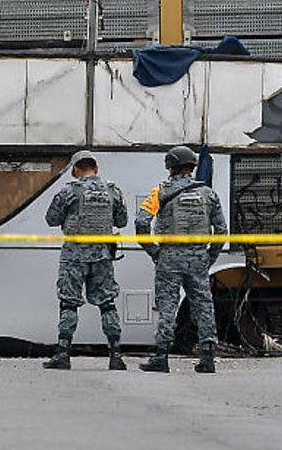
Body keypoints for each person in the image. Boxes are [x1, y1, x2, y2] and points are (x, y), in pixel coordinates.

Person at [135, 144, 228, 374]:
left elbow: (141, 222)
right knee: (203, 305)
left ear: (171, 167)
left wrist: (152, 250)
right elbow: (222, 230)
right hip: (198, 257)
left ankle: (161, 357)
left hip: (169, 257)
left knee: (168, 305)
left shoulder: (161, 192)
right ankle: (207, 357)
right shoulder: (208, 193)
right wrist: (210, 257)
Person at [42, 150, 129, 371]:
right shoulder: (113, 190)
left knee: (69, 303)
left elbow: (51, 219)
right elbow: (123, 220)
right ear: (96, 168)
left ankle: (62, 354)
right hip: (102, 256)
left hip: (74, 257)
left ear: (75, 170)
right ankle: (116, 355)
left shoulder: (70, 190)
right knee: (107, 303)